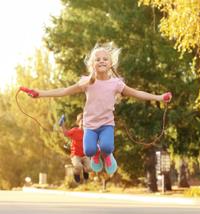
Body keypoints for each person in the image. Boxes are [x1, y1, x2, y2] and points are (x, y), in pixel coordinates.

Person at [24, 42, 172, 176]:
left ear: (110, 64)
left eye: (105, 59)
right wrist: (39, 94)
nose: (101, 61)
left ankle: (108, 156)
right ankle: (95, 156)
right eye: (97, 59)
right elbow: (63, 91)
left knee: (107, 147)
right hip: (89, 125)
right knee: (89, 150)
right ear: (92, 64)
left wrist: (159, 97)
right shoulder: (86, 82)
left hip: (106, 124)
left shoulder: (116, 84)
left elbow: (137, 93)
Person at [59, 113, 91, 183]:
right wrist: (62, 125)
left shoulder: (88, 132)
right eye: (82, 122)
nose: (83, 124)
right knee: (78, 166)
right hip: (76, 155)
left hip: (85, 155)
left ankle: (85, 171)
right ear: (78, 123)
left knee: (89, 168)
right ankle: (76, 174)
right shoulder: (75, 131)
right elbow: (66, 133)